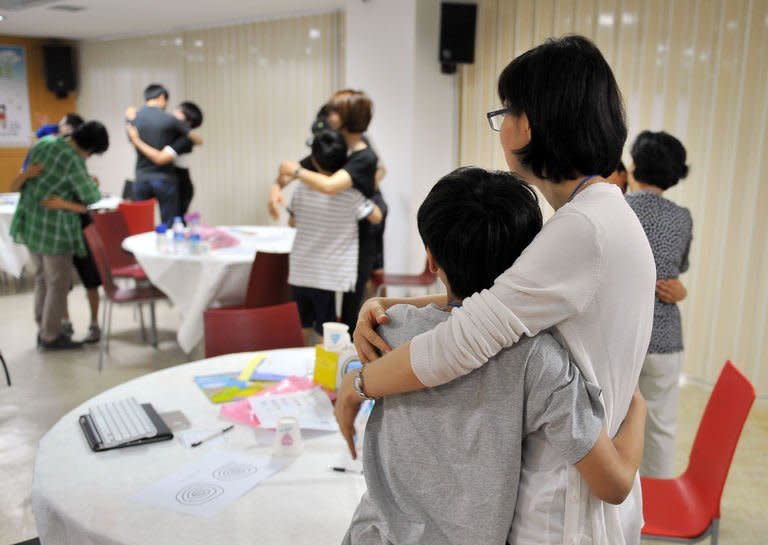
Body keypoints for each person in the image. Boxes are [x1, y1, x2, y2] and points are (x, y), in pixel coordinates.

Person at [338, 35, 656, 545]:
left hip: (557, 506)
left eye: (504, 112)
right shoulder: (603, 213)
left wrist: (360, 384)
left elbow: (458, 342)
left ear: (527, 124)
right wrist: (388, 303)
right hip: (579, 472)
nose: (501, 127)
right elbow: (491, 306)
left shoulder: (580, 229)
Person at [271, 89, 380, 332]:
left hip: (357, 243)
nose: (329, 115)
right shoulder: (334, 145)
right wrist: (275, 187)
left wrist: (295, 172)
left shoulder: (364, 157)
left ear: (348, 116)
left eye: (335, 111)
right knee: (323, 319)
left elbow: (329, 186)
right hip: (330, 245)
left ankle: (350, 366)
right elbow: (287, 173)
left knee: (348, 319)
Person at [626, 131, 692, 478]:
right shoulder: (682, 217)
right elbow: (676, 271)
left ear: (634, 165)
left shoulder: (619, 208)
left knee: (615, 419)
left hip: (624, 333)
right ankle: (658, 499)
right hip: (666, 336)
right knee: (662, 424)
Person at [10, 121, 108, 350]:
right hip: (55, 231)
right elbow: (91, 196)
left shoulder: (44, 143)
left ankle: (42, 327)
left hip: (31, 224)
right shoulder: (73, 161)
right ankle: (51, 335)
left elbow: (30, 178)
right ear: (90, 149)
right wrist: (89, 184)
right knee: (58, 284)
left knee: (42, 279)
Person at [286, 129, 382, 344]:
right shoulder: (350, 195)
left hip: (300, 271)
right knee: (325, 331)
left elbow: (291, 222)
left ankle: (297, 371)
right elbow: (376, 216)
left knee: (301, 326)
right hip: (329, 276)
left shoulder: (301, 188)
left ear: (314, 160)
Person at [130, 84, 201, 225]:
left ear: (187, 122)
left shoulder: (184, 139)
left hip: (181, 183)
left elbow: (160, 158)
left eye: (178, 112)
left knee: (175, 224)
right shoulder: (169, 128)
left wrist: (136, 140)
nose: (171, 112)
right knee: (155, 223)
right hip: (165, 179)